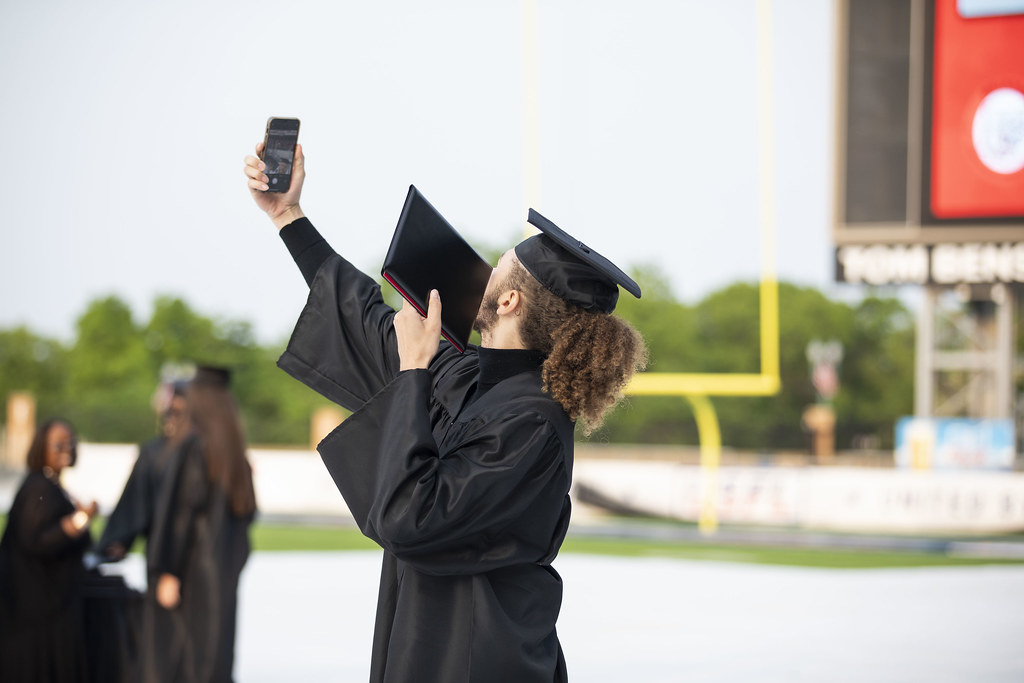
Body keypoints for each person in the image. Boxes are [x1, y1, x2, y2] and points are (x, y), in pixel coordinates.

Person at [244, 142, 648, 682]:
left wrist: (413, 370)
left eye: (499, 267)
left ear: (509, 302)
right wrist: (287, 215)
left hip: (482, 657)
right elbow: (363, 316)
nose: (486, 272)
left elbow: (414, 518)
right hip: (425, 640)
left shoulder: (533, 424)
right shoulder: (464, 373)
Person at [142, 366, 257, 683]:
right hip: (222, 571)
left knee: (181, 658)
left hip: (192, 570)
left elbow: (181, 514)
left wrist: (167, 569)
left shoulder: (194, 447)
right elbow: (248, 515)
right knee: (214, 654)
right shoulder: (235, 454)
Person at [0, 418, 99, 683]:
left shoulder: (51, 484)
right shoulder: (38, 488)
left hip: (53, 605)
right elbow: (36, 540)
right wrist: (81, 519)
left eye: (70, 443)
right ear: (41, 447)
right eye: (58, 444)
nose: (66, 449)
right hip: (39, 610)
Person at [98, 379, 190, 561]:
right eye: (169, 413)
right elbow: (136, 499)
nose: (171, 418)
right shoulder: (155, 453)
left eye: (178, 413)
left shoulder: (209, 453)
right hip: (163, 552)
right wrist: (119, 541)